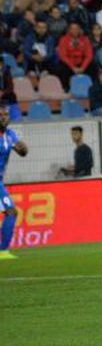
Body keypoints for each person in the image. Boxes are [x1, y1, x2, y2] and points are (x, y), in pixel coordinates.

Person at [0, 108, 29, 259]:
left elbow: (22, 151)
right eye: (1, 115)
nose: (4, 117)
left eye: (6, 115)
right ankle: (3, 251)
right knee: (11, 212)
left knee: (10, 212)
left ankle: (3, 251)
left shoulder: (10, 134)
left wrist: (23, 149)